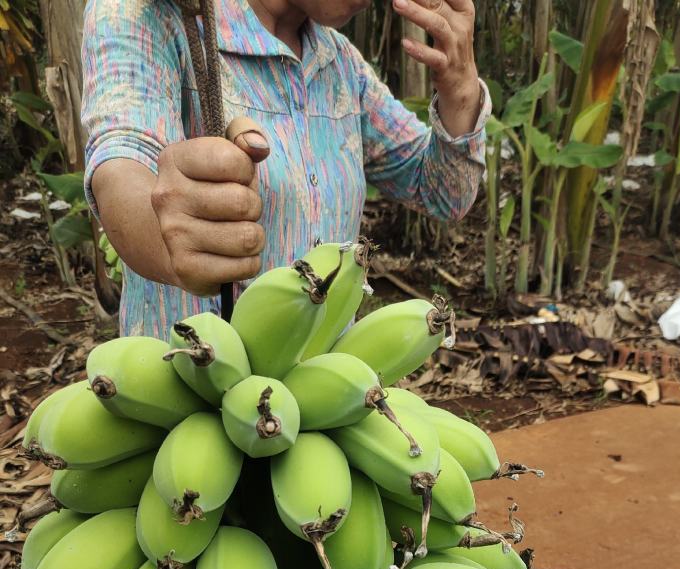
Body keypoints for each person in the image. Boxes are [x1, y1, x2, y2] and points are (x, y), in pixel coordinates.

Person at [81, 0, 491, 339]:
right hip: (187, 395)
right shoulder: (149, 15)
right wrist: (170, 241)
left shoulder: (340, 63)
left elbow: (442, 192)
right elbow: (121, 167)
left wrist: (460, 88)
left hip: (324, 400)